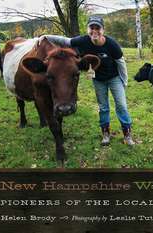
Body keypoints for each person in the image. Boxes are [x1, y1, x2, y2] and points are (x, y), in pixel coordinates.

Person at [38, 16, 134, 146]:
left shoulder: (112, 44)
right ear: (88, 29)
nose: (94, 31)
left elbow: (121, 63)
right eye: (91, 28)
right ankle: (105, 134)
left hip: (114, 78)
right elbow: (65, 41)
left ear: (103, 30)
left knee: (121, 105)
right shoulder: (83, 41)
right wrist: (45, 36)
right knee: (103, 107)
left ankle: (127, 135)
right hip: (98, 80)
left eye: (98, 28)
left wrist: (124, 81)